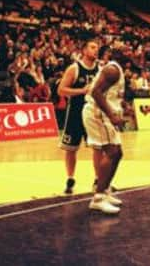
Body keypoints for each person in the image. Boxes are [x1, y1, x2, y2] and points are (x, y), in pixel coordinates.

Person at [82, 48, 126, 214]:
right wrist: (111, 115)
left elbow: (111, 95)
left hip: (103, 113)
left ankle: (105, 190)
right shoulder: (112, 70)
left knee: (118, 153)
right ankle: (98, 198)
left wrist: (123, 109)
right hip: (97, 113)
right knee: (112, 152)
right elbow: (96, 92)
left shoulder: (116, 71)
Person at [58, 40, 100, 195]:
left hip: (92, 113)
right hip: (75, 112)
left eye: (97, 48)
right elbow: (61, 90)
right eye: (93, 47)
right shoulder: (74, 68)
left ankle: (98, 179)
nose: (96, 50)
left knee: (97, 147)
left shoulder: (100, 69)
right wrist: (82, 91)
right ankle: (70, 178)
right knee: (71, 149)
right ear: (84, 50)